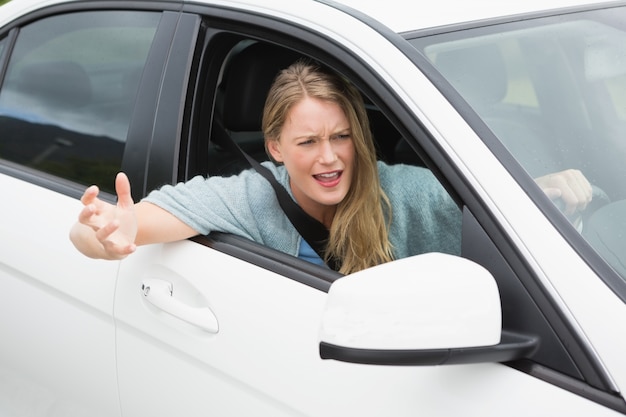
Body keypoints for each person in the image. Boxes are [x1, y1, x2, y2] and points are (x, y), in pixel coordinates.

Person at [70, 61, 592, 274]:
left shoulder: (399, 192)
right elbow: (129, 224)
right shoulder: (252, 197)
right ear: (275, 146)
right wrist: (106, 230)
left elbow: (488, 212)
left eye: (342, 137)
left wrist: (542, 192)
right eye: (309, 141)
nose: (330, 157)